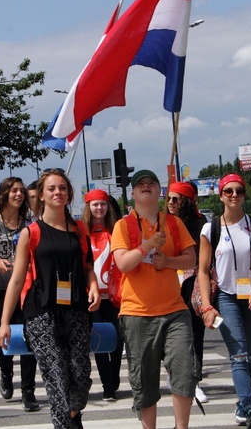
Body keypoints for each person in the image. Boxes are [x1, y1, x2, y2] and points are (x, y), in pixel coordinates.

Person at [0, 169, 100, 429]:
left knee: (80, 376)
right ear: (41, 196)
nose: (58, 192)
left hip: (76, 310)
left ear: (69, 195)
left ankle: (73, 417)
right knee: (57, 380)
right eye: (52, 188)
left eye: (62, 188)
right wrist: (4, 321)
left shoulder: (79, 229)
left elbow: (88, 265)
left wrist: (93, 285)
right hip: (41, 312)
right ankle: (67, 424)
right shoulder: (30, 233)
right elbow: (17, 279)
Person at [111, 170, 198, 429]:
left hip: (174, 310)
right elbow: (124, 264)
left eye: (151, 183)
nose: (146, 187)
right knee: (145, 381)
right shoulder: (123, 225)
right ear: (134, 193)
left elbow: (191, 259)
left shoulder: (173, 223)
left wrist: (167, 261)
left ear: (159, 191)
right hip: (137, 313)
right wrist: (147, 245)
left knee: (184, 372)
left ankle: (181, 427)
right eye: (140, 184)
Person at [197, 173, 251, 429]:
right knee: (238, 354)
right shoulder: (211, 228)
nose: (234, 195)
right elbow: (203, 271)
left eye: (239, 191)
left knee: (248, 354)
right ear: (221, 196)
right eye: (229, 191)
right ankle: (249, 407)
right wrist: (207, 305)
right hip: (227, 296)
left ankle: (241, 406)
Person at [0, 177, 40, 412]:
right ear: (4, 194)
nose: (19, 195)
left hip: (26, 291)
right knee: (2, 339)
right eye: (14, 191)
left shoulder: (30, 224)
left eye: (21, 191)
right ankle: (5, 372)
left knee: (28, 338)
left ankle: (28, 391)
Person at [165, 181, 209, 403]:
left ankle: (194, 381)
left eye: (176, 199)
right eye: (169, 198)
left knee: (194, 334)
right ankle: (173, 372)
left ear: (187, 202)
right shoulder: (162, 222)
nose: (171, 203)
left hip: (192, 282)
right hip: (168, 282)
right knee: (169, 334)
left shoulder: (201, 223)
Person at [82, 188, 123, 402]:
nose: (99, 208)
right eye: (95, 204)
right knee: (99, 341)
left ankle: (113, 377)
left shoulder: (117, 230)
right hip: (92, 296)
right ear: (89, 207)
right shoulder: (82, 232)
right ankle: (107, 386)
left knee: (117, 339)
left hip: (116, 296)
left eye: (103, 204)